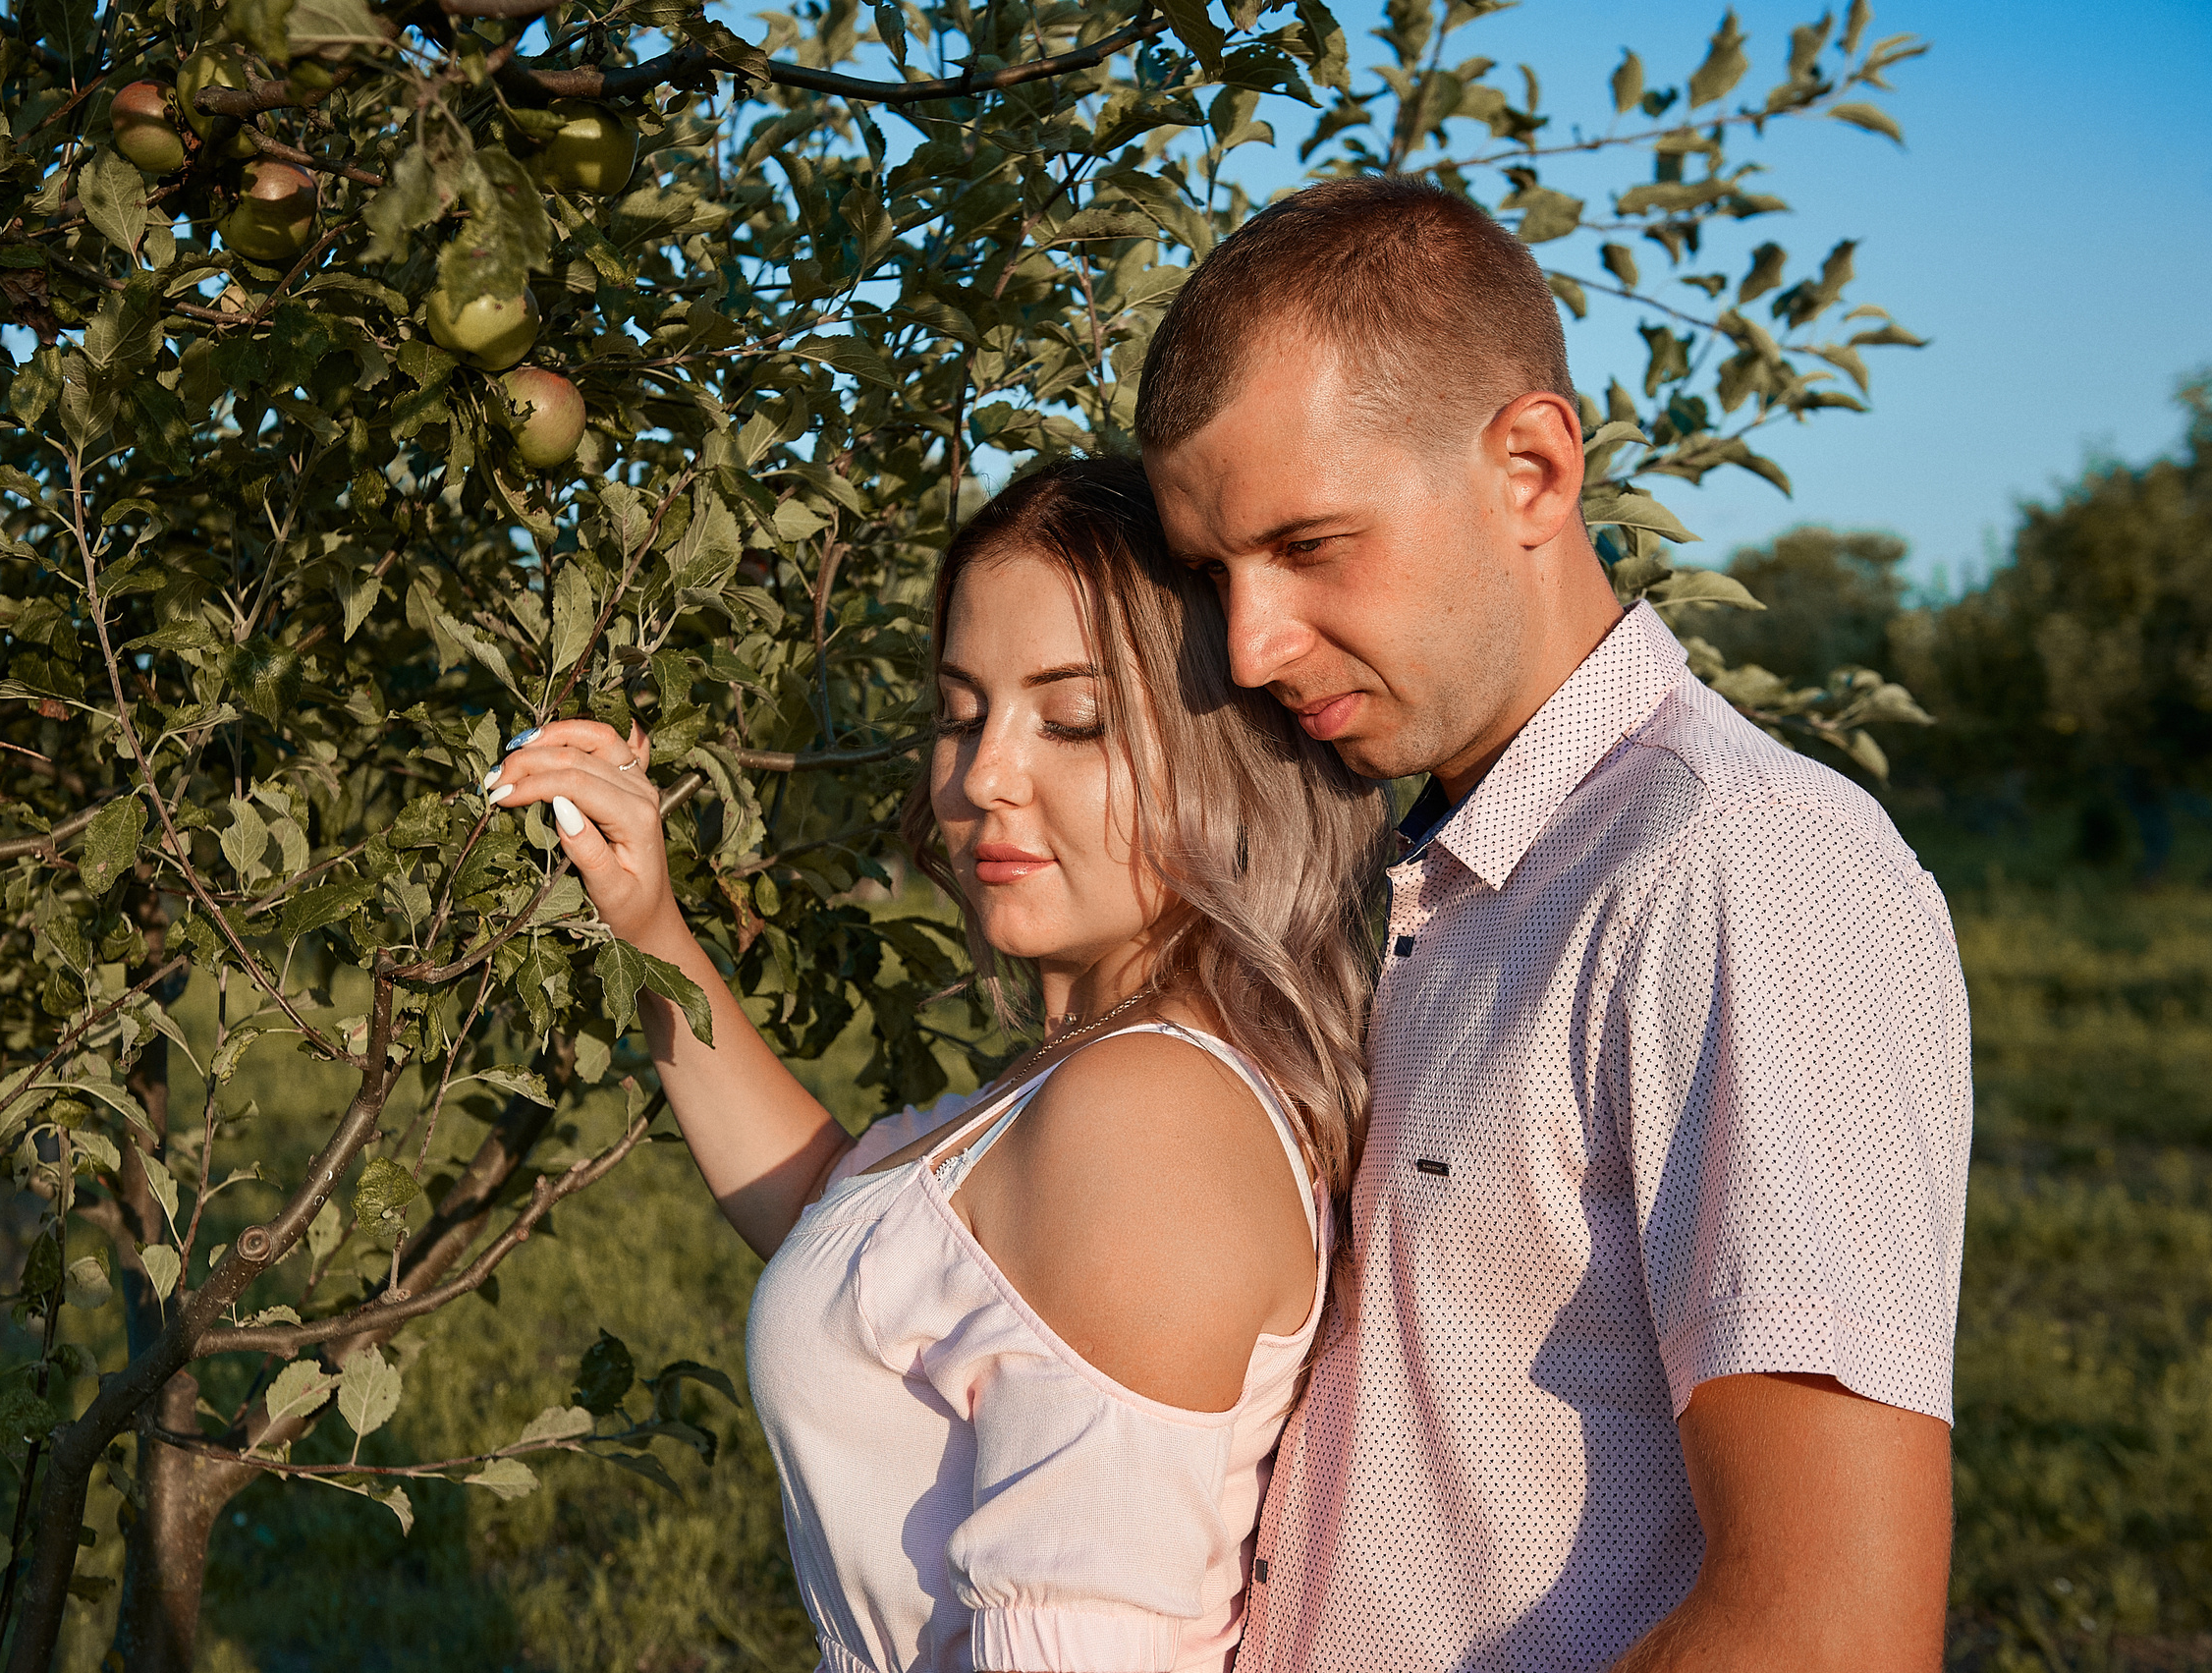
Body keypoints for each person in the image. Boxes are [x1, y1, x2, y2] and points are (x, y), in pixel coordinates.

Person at [1136, 176, 1973, 1672]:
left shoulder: (1739, 872)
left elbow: (1826, 1624)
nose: (1251, 644)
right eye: (1215, 573)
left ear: (1530, 466)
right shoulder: (1402, 874)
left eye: (1312, 545)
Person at [485, 458, 1393, 1673]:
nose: (980, 777)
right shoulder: (1101, 1075)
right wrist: (651, 930)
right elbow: (852, 1233)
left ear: (1223, 758)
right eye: (962, 712)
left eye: (1074, 719)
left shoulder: (1144, 1117)